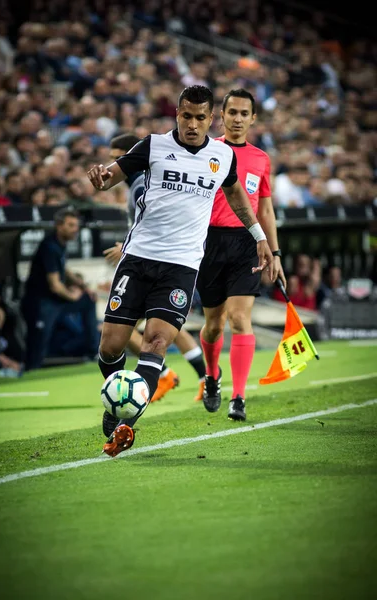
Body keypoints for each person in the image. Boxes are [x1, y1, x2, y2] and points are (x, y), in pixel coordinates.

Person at [87, 85, 275, 457]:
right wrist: (100, 177)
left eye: (200, 118)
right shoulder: (153, 145)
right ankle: (117, 400)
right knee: (111, 347)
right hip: (139, 259)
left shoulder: (221, 155)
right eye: (186, 116)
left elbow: (236, 194)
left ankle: (125, 423)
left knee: (158, 342)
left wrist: (259, 236)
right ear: (177, 114)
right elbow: (113, 173)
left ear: (211, 119)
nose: (192, 124)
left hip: (183, 265)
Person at [196, 88, 286, 421]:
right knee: (213, 327)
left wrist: (274, 252)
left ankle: (239, 397)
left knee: (239, 319)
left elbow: (265, 209)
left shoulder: (261, 159)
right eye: (231, 112)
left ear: (252, 118)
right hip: (208, 243)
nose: (237, 118)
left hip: (247, 243)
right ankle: (211, 375)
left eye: (243, 113)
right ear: (221, 114)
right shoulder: (207, 150)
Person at [103, 132, 207, 405]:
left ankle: (167, 374)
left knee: (131, 334)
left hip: (158, 263)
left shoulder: (139, 183)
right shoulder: (139, 182)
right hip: (159, 260)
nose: (114, 165)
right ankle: (195, 376)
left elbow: (152, 223)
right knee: (162, 329)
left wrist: (125, 247)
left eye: (119, 159)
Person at [21, 206, 100, 370]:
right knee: (38, 345)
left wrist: (83, 287)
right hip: (41, 302)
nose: (75, 230)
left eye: (76, 226)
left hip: (55, 302)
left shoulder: (60, 244)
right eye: (70, 225)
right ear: (59, 225)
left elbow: (63, 269)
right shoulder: (49, 247)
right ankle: (31, 371)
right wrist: (73, 296)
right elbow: (55, 285)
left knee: (88, 300)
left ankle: (93, 352)